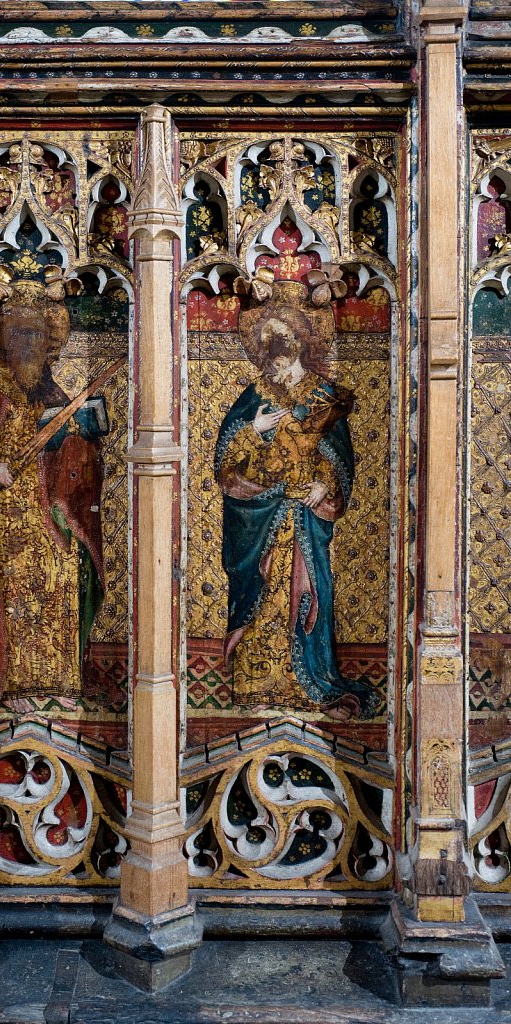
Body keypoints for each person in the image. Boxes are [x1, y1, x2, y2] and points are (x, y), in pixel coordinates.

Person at [215, 282, 379, 721]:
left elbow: (340, 457)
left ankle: (309, 682)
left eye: (283, 340)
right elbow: (225, 465)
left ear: (300, 345)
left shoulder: (325, 397)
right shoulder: (253, 400)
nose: (275, 349)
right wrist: (255, 429)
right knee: (263, 590)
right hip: (262, 515)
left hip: (304, 516)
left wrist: (325, 485)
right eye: (267, 342)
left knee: (309, 592)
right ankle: (258, 685)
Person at [0, 278, 107, 711]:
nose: (29, 344)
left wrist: (79, 435)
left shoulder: (49, 389)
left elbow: (76, 448)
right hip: (10, 507)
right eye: (20, 335)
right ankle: (16, 685)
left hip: (51, 505)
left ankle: (59, 683)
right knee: (19, 587)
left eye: (37, 336)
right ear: (4, 340)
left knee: (61, 579)